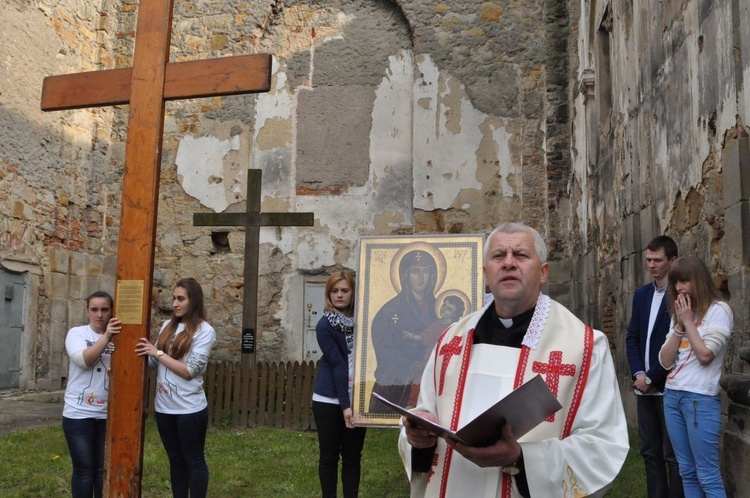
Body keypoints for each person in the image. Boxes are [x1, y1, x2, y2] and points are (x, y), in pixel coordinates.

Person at [399, 222, 629, 497]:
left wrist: (521, 458)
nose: (508, 263)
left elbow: (603, 445)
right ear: (485, 274)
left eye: (520, 255)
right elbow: (427, 414)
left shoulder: (584, 347)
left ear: (543, 272)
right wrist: (416, 439)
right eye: (498, 256)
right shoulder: (451, 341)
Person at [658, 255, 733, 498]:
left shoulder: (719, 311)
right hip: (672, 396)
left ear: (698, 280)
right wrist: (679, 326)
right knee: (687, 472)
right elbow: (665, 361)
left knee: (707, 474)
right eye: (675, 283)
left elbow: (705, 355)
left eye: (684, 281)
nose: (678, 288)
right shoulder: (680, 315)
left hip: (700, 399)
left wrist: (688, 322)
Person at [135, 278, 216, 498]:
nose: (175, 304)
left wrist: (158, 353)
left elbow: (190, 371)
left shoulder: (205, 331)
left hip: (190, 409)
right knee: (176, 460)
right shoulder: (167, 326)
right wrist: (138, 352)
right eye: (174, 298)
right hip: (164, 408)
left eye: (181, 299)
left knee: (194, 460)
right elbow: (154, 363)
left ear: (193, 301)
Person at [626, 236, 683, 498]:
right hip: (643, 387)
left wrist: (651, 378)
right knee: (650, 453)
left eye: (657, 260)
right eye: (648, 260)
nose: (651, 265)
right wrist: (639, 374)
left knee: (673, 456)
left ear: (672, 261)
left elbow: (678, 343)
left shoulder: (680, 297)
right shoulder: (641, 295)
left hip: (668, 387)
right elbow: (633, 337)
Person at [312, 271, 367, 498]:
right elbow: (337, 364)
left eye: (345, 290)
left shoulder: (362, 322)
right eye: (334, 291)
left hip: (358, 397)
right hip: (329, 400)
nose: (340, 295)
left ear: (353, 293)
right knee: (329, 456)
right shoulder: (324, 325)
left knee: (353, 456)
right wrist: (346, 405)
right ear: (328, 294)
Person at [62, 291, 122, 498]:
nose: (99, 315)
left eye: (104, 310)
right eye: (94, 310)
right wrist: (106, 337)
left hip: (108, 413)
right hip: (79, 413)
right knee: (84, 471)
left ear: (111, 312)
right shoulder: (77, 333)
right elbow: (83, 361)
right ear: (87, 311)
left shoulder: (121, 335)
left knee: (101, 471)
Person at [370, 249, 438, 411]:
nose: (421, 278)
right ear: (406, 276)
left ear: (432, 275)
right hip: (398, 388)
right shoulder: (388, 312)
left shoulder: (440, 308)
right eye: (415, 272)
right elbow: (385, 354)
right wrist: (415, 365)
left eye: (425, 272)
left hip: (432, 381)